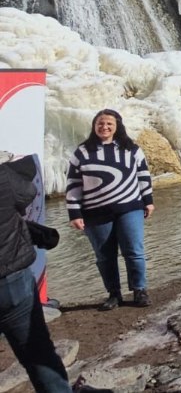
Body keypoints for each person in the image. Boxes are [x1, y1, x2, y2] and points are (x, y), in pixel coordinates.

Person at [66, 109, 154, 311]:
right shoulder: (82, 152)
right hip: (95, 212)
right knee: (104, 256)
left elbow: (143, 175)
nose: (104, 127)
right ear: (94, 126)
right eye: (100, 123)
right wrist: (74, 213)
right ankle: (114, 294)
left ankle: (139, 290)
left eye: (109, 124)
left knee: (134, 250)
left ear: (117, 127)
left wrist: (148, 200)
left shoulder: (131, 149)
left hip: (129, 207)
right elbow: (73, 183)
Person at [1, 155, 71, 393]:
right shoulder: (3, 177)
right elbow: (28, 192)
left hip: (12, 278)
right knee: (39, 354)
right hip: (12, 281)